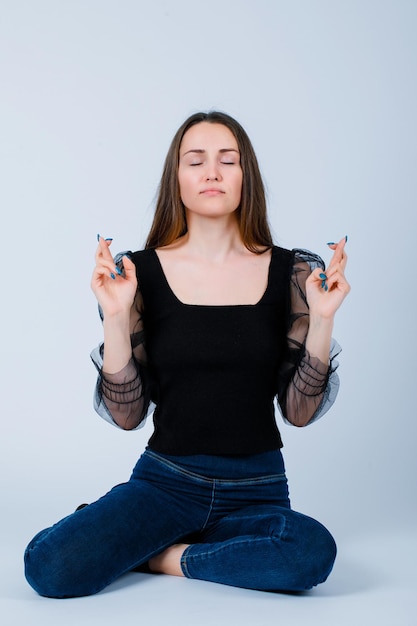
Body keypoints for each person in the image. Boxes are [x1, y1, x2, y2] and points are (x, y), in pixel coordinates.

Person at [24, 111, 350, 598]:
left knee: (309, 553)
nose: (212, 172)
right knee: (49, 566)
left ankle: (158, 555)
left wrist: (323, 320)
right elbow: (127, 416)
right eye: (196, 161)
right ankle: (170, 539)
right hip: (166, 484)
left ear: (246, 176)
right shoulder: (138, 273)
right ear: (177, 179)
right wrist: (115, 316)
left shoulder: (294, 273)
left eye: (228, 160)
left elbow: (299, 414)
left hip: (257, 487)